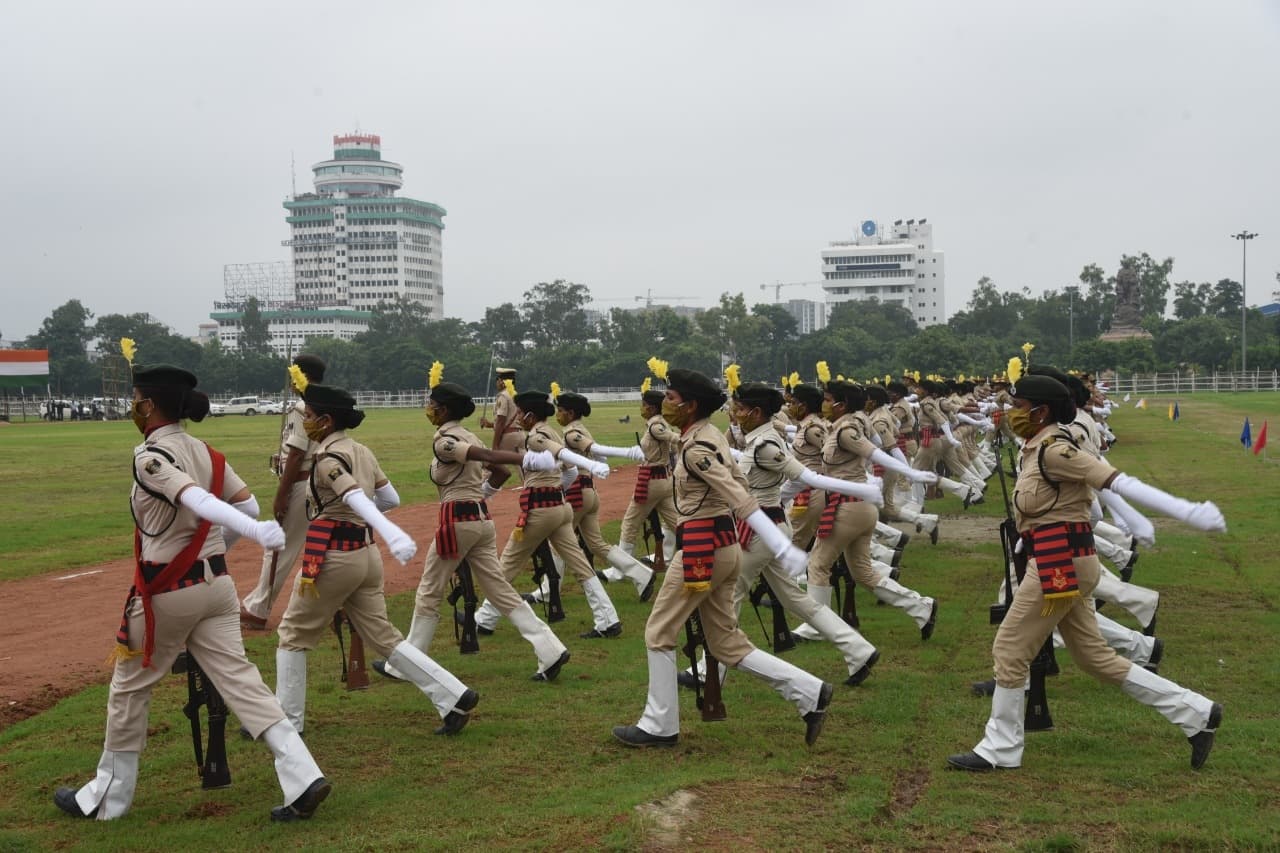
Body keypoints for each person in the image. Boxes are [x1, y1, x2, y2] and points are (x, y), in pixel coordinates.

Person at [54, 364, 330, 822]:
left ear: (150, 404)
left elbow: (199, 500)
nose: (133, 406)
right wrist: (218, 545)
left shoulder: (150, 456)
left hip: (168, 590)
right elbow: (247, 502)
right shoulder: (207, 453)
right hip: (217, 586)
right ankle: (303, 776)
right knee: (241, 680)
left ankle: (107, 799)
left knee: (128, 689)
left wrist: (241, 532)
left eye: (136, 398)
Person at [948, 374, 1225, 772]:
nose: (1011, 412)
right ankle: (1196, 712)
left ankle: (1001, 747)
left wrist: (1188, 513)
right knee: (1095, 658)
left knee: (1009, 649)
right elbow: (1050, 505)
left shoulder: (1055, 450)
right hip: (1061, 557)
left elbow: (1115, 482)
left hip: (1060, 564)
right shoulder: (1036, 447)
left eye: (1019, 405)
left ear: (1040, 411)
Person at [612, 367, 834, 749]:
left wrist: (781, 547)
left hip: (702, 549)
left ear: (690, 405)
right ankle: (810, 692)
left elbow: (737, 493)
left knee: (658, 632)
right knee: (726, 643)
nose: (665, 404)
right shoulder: (709, 435)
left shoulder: (698, 448)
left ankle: (659, 724)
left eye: (671, 398)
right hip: (725, 547)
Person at [273, 384, 481, 737]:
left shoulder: (327, 459)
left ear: (325, 420)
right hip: (365, 554)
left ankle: (285, 724)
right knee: (385, 637)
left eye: (308, 417)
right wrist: (366, 518)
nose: (303, 422)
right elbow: (389, 496)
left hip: (334, 555)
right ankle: (453, 695)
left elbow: (353, 494)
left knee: (292, 635)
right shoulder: (362, 451)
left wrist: (373, 522)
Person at [373, 380, 571, 682]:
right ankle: (550, 649)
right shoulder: (468, 434)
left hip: (457, 520)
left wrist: (529, 459)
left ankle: (407, 663)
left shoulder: (445, 441)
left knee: (429, 590)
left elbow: (493, 460)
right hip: (481, 519)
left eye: (432, 405)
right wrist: (481, 493)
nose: (429, 409)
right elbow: (499, 471)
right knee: (499, 590)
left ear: (443, 409)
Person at [792, 380, 940, 642]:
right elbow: (872, 442)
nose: (823, 404)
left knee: (817, 564)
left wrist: (911, 472)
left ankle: (818, 626)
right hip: (858, 506)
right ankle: (921, 606)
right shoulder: (853, 422)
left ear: (842, 404)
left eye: (828, 399)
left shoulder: (847, 430)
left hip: (848, 505)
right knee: (863, 572)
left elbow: (875, 451)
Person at [473, 390, 621, 641]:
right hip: (560, 507)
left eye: (520, 412)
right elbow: (571, 473)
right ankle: (608, 619)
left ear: (531, 415)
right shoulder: (552, 432)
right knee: (580, 565)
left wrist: (545, 490)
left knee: (508, 563)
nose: (518, 416)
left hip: (540, 509)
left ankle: (485, 619)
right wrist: (555, 489)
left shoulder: (536, 438)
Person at [241, 354, 327, 630]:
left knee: (279, 547)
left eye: (294, 374)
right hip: (319, 483)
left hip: (301, 482)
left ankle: (259, 607)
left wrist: (281, 493)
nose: (290, 380)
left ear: (302, 375)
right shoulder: (325, 404)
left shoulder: (303, 409)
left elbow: (295, 455)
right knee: (323, 548)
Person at [555, 390, 657, 601]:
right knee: (596, 543)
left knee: (558, 539)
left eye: (561, 410)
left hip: (576, 491)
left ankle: (548, 592)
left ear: (570, 413)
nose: (558, 414)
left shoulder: (572, 434)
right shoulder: (583, 429)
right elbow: (600, 458)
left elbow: (589, 453)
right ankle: (642, 574)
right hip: (589, 489)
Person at [613, 388, 678, 571]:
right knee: (677, 523)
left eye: (643, 405)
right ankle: (702, 551)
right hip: (665, 479)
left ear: (651, 408)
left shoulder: (655, 426)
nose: (641, 408)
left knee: (630, 523)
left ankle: (621, 569)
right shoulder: (662, 423)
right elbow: (673, 450)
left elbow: (675, 440)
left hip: (652, 481)